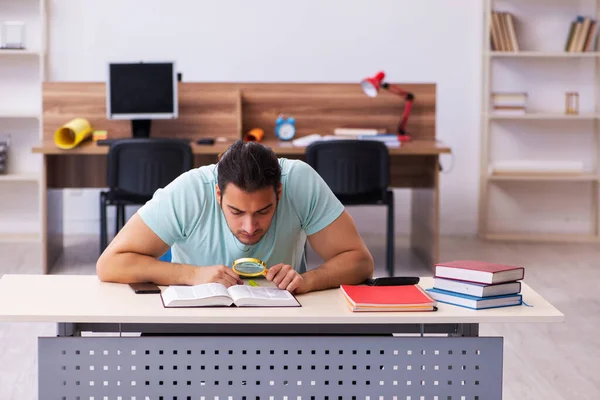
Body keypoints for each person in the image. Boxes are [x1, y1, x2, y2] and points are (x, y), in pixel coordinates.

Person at [96, 140, 374, 294]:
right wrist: (193, 274)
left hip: (282, 324)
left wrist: (309, 280)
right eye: (236, 212)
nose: (250, 227)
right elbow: (110, 264)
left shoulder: (299, 182)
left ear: (279, 191)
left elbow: (360, 261)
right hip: (196, 326)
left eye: (264, 211)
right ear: (218, 194)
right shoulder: (190, 191)